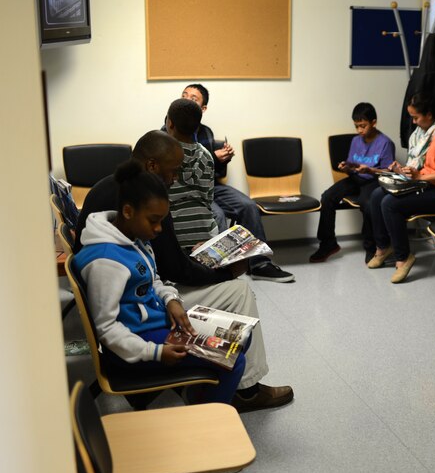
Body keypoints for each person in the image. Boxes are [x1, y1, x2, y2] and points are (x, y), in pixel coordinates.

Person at [75, 130, 293, 412]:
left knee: (240, 334)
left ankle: (212, 384)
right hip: (140, 320)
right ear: (153, 166)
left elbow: (155, 268)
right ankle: (244, 392)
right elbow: (173, 269)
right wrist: (225, 271)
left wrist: (172, 296)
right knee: (238, 292)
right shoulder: (134, 215)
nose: (175, 177)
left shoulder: (118, 196)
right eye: (174, 170)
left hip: (148, 303)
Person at [73, 161, 245, 404]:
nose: (158, 228)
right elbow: (107, 329)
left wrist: (171, 299)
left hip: (155, 325)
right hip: (136, 347)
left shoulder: (132, 236)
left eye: (161, 220)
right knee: (235, 358)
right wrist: (154, 352)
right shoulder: (106, 261)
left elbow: (151, 279)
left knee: (240, 338)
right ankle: (205, 423)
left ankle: (197, 399)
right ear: (128, 211)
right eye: (153, 220)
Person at [180, 83, 294, 283]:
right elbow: (182, 172)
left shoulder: (206, 132)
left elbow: (214, 170)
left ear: (203, 109)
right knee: (218, 214)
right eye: (184, 95)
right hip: (190, 191)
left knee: (248, 206)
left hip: (211, 185)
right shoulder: (169, 130)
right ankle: (223, 271)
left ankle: (259, 265)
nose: (187, 100)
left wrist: (223, 160)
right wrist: (214, 157)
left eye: (193, 98)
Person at [366, 93, 435, 283]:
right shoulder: (424, 136)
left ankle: (403, 258)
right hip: (427, 184)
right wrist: (403, 171)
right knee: (377, 194)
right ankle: (383, 247)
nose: (413, 121)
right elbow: (424, 169)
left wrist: (420, 176)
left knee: (390, 204)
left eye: (416, 117)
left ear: (429, 114)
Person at [311, 102, 396, 264]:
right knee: (327, 197)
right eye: (356, 126)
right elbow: (353, 166)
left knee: (367, 203)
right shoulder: (356, 140)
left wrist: (370, 170)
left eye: (363, 126)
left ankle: (372, 247)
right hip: (356, 178)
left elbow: (390, 172)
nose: (359, 130)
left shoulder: (385, 143)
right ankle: (328, 243)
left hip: (374, 181)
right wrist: (346, 168)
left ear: (374, 122)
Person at [164, 98, 218, 252]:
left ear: (170, 123)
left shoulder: (163, 154)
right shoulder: (207, 155)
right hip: (206, 233)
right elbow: (209, 198)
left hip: (174, 235)